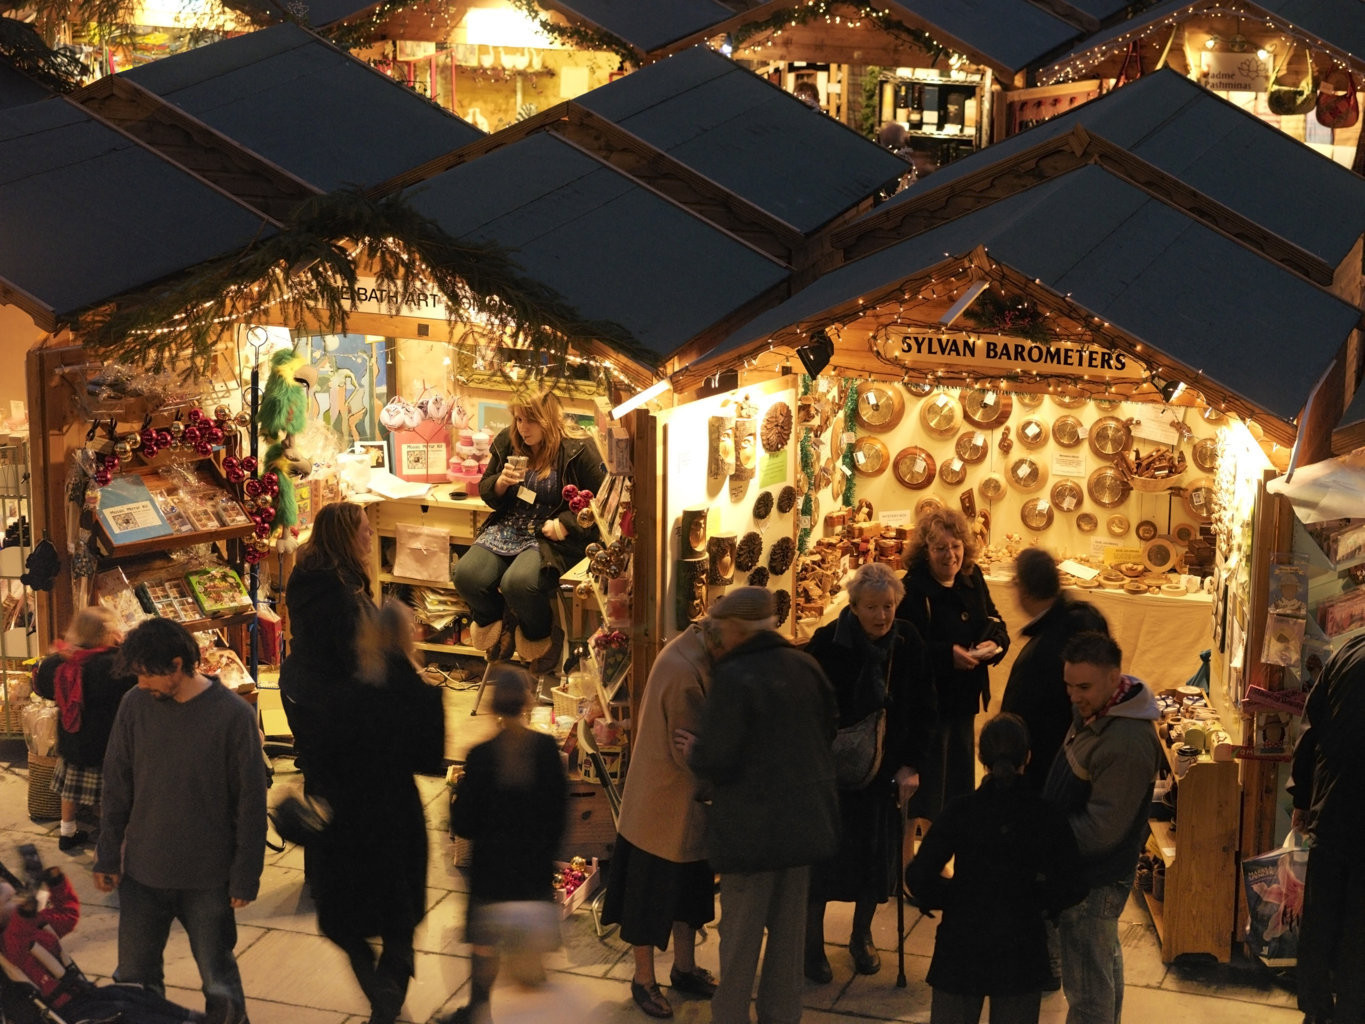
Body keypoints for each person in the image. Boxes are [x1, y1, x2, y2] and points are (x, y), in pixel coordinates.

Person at [281, 503, 446, 1024]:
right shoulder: (344, 599)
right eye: (365, 529)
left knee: (349, 916)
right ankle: (388, 1002)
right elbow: (430, 761)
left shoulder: (311, 577)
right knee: (397, 916)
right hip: (391, 816)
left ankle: (382, 1001)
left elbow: (323, 767)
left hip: (343, 802)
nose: (371, 535)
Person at [93, 617, 267, 1024]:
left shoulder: (233, 717)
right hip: (142, 874)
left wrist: (246, 876)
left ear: (176, 665)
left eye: (147, 674)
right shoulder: (134, 706)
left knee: (218, 979)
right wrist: (106, 855)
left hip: (207, 878)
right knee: (135, 980)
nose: (140, 684)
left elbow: (251, 804)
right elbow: (116, 784)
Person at [678, 587, 839, 1024]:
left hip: (750, 836)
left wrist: (696, 750)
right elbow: (829, 731)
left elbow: (718, 758)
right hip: (803, 831)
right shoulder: (806, 666)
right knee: (787, 945)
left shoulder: (735, 678)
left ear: (736, 630)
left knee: (740, 944)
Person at [906, 713, 1086, 1024]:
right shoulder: (1044, 815)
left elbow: (918, 877)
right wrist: (1038, 901)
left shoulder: (960, 811)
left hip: (962, 945)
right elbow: (1073, 882)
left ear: (982, 759)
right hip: (1021, 946)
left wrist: (955, 896)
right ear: (1027, 757)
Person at [803, 561, 936, 982]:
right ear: (854, 606)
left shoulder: (908, 641)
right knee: (823, 866)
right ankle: (812, 947)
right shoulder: (827, 644)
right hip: (833, 780)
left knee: (874, 865)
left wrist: (912, 765)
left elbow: (924, 709)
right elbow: (810, 710)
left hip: (884, 776)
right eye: (873, 607)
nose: (882, 616)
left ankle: (861, 937)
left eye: (889, 606)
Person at [600, 618, 720, 1019]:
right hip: (665, 813)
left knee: (688, 897)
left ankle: (684, 970)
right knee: (649, 905)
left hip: (672, 812)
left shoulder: (691, 651)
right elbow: (690, 755)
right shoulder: (688, 673)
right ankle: (644, 980)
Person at [1042, 632, 1163, 1024]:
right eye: (1068, 685)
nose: (1074, 696)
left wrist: (1044, 843)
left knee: (1088, 993)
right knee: (1102, 969)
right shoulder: (1098, 712)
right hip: (1085, 874)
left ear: (1115, 678)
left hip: (1093, 880)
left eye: (1084, 686)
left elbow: (1101, 830)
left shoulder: (1125, 741)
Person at [441, 665, 568, 1024]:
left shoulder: (480, 756)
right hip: (532, 872)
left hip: (490, 874)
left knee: (484, 948)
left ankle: (478, 1009)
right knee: (531, 960)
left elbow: (464, 823)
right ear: (527, 703)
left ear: (493, 705)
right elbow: (559, 816)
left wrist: (454, 802)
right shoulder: (545, 751)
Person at [453, 389, 606, 667]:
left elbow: (602, 501)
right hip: (510, 525)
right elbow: (487, 489)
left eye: (530, 420)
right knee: (465, 575)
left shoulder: (577, 447)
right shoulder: (508, 440)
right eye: (518, 419)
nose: (523, 428)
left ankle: (539, 635)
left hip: (547, 532)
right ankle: (499, 622)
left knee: (519, 584)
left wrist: (566, 524)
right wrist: (500, 484)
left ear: (548, 419)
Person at [897, 507, 1009, 818]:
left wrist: (996, 643)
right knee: (929, 786)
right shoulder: (913, 588)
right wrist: (948, 655)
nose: (951, 556)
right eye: (940, 548)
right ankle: (917, 857)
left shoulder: (972, 577)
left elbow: (994, 620)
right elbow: (906, 647)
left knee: (958, 782)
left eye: (956, 546)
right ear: (926, 551)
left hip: (964, 698)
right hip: (930, 703)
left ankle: (948, 851)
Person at [0, 860, 200, 1024]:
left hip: (83, 993)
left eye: (15, 896)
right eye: (9, 901)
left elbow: (67, 914)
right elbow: (20, 928)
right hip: (69, 1009)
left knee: (132, 993)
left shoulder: (38, 924)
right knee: (126, 1011)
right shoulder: (11, 943)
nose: (17, 900)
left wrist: (57, 883)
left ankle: (189, 1017)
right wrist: (28, 903)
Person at [1288, 632, 1365, 1024]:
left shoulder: (1349, 650)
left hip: (1332, 814)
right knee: (1357, 937)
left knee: (1320, 923)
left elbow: (1311, 729)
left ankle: (1317, 1012)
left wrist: (1302, 798)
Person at [999, 548, 1109, 793]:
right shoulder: (1088, 617)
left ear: (1025, 590)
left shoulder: (1044, 649)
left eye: (1015, 583)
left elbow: (1024, 721)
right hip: (1086, 757)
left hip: (1051, 770)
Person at [32, 606, 137, 851]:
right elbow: (131, 686)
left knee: (69, 790)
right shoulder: (113, 664)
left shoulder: (59, 662)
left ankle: (67, 832)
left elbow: (44, 688)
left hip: (71, 740)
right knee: (105, 795)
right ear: (106, 633)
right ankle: (107, 837)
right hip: (104, 743)